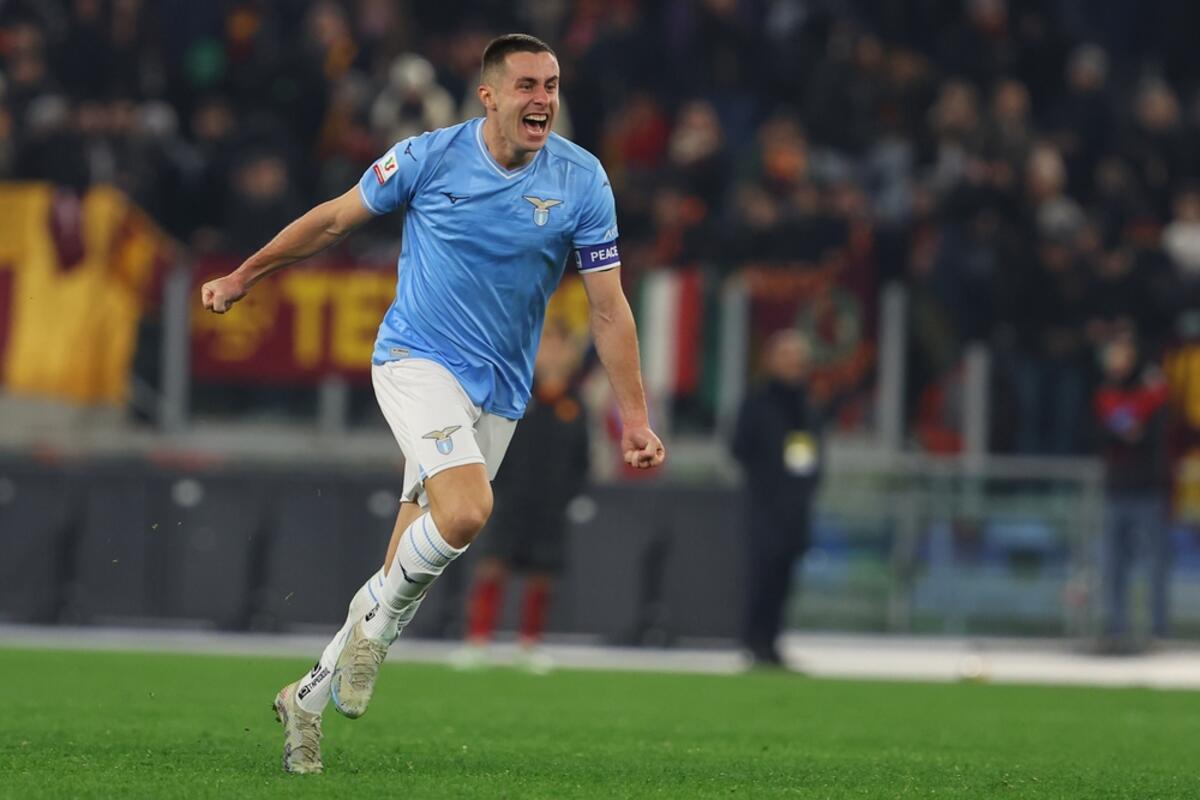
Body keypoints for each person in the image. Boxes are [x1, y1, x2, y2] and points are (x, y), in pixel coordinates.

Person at [200, 33, 665, 774]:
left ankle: (305, 700)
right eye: (526, 85)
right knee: (467, 512)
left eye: (550, 85)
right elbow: (333, 220)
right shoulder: (428, 157)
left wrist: (634, 417)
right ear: (489, 96)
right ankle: (377, 636)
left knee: (406, 561)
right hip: (416, 361)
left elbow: (608, 309)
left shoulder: (581, 179)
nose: (542, 99)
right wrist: (244, 275)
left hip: (502, 391)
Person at [455, 318, 590, 673]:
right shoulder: (516, 392)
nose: (553, 353)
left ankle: (529, 644)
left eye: (560, 345)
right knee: (493, 566)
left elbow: (582, 461)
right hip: (510, 499)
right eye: (547, 343)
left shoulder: (576, 404)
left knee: (542, 574)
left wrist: (567, 496)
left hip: (550, 506)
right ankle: (477, 641)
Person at [731, 330, 827, 668]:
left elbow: (813, 459)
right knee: (762, 575)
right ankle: (754, 641)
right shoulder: (757, 403)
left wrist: (803, 490)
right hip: (764, 507)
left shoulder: (806, 407)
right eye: (787, 357)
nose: (794, 365)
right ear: (771, 361)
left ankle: (772, 642)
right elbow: (739, 448)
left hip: (794, 510)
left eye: (799, 359)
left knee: (784, 578)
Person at [1092, 330, 1171, 651]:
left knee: (1155, 565)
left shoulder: (1153, 393)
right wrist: (1125, 429)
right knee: (1114, 565)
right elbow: (1098, 434)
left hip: (1148, 488)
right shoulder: (1105, 394)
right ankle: (1117, 630)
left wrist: (1126, 429)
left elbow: (1151, 435)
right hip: (1117, 488)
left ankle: (1158, 631)